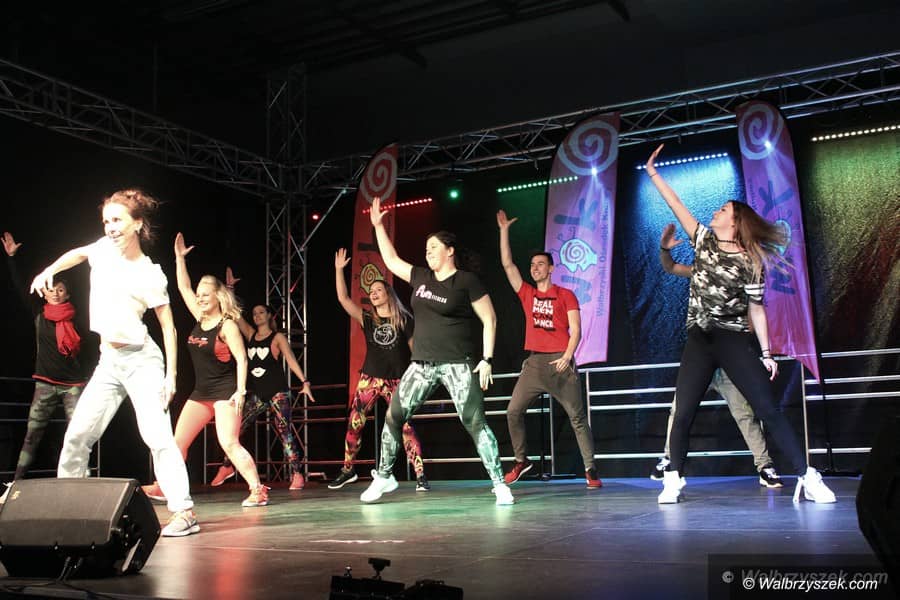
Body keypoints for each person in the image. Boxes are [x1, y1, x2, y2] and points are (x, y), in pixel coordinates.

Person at [645, 144, 835, 504]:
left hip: (732, 340)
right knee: (683, 411)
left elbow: (757, 309)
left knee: (767, 409)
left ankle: (807, 476)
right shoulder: (703, 240)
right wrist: (653, 173)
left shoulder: (751, 262)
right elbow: (676, 204)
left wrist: (767, 353)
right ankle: (673, 478)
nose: (716, 212)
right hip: (699, 342)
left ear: (735, 222)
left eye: (723, 210)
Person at [30, 189, 198, 536]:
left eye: (118, 220)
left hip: (142, 361)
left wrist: (171, 375)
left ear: (137, 224)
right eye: (106, 221)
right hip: (109, 362)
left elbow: (168, 325)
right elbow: (78, 253)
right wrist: (50, 268)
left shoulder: (150, 273)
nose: (110, 227)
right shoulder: (103, 250)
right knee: (77, 435)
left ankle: (184, 511)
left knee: (156, 436)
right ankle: (67, 509)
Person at [360, 197, 513, 505]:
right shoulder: (421, 277)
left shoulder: (466, 281)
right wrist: (377, 226)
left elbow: (490, 319)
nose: (428, 252)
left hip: (458, 363)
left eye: (433, 247)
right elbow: (391, 260)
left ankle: (499, 484)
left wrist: (487, 359)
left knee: (474, 422)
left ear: (449, 250)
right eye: (426, 248)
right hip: (422, 364)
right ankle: (385, 476)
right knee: (394, 415)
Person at [650, 224, 783, 488]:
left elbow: (754, 312)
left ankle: (764, 465)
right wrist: (664, 248)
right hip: (701, 356)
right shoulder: (700, 272)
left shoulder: (740, 270)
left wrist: (748, 345)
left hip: (728, 358)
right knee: (679, 411)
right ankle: (669, 458)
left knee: (744, 413)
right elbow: (671, 267)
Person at [142, 234, 269, 507]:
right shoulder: (199, 317)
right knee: (177, 443)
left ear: (218, 297)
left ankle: (258, 490)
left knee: (229, 442)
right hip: (201, 392)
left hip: (225, 392)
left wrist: (240, 392)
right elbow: (183, 286)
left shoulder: (227, 325)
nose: (199, 299)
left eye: (205, 295)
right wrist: (179, 258)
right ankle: (164, 487)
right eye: (198, 295)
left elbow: (242, 359)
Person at [496, 211, 601, 489]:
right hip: (534, 364)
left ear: (551, 268)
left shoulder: (566, 294)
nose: (535, 268)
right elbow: (507, 265)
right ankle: (521, 461)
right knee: (512, 411)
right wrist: (504, 231)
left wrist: (567, 356)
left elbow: (576, 329)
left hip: (560, 361)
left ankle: (590, 469)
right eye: (533, 265)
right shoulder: (527, 294)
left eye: (541, 264)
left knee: (577, 417)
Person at [329, 248, 428, 491]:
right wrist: (339, 270)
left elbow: (416, 352)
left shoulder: (404, 319)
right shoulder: (367, 319)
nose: (373, 294)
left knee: (405, 427)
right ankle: (348, 469)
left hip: (397, 380)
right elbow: (343, 299)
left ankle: (420, 475)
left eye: (378, 290)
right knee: (355, 422)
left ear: (388, 294)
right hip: (370, 378)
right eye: (370, 292)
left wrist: (417, 377)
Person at [2, 232, 85, 499]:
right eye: (52, 289)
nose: (56, 293)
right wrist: (12, 258)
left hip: (72, 385)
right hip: (45, 384)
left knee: (78, 436)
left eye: (61, 289)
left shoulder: (77, 318)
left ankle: (83, 485)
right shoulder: (40, 315)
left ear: (67, 293)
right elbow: (19, 288)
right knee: (32, 435)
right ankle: (15, 483)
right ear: (45, 292)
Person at [207, 297, 314, 492]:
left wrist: (304, 381)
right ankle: (227, 466)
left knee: (284, 432)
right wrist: (229, 291)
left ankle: (297, 474)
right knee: (236, 427)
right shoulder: (250, 334)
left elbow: (290, 359)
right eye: (255, 313)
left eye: (261, 312)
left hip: (278, 392)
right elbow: (236, 315)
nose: (257, 316)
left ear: (270, 315)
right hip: (258, 393)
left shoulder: (277, 337)